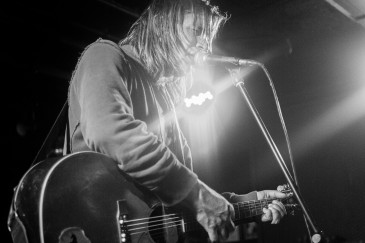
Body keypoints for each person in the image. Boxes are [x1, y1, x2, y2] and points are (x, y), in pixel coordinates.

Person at [67, 0, 287, 242]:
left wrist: (249, 204)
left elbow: (175, 203)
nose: (204, 44)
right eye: (196, 31)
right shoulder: (105, 56)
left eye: (207, 36)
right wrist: (201, 198)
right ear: (163, 24)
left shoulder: (168, 98)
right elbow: (107, 131)